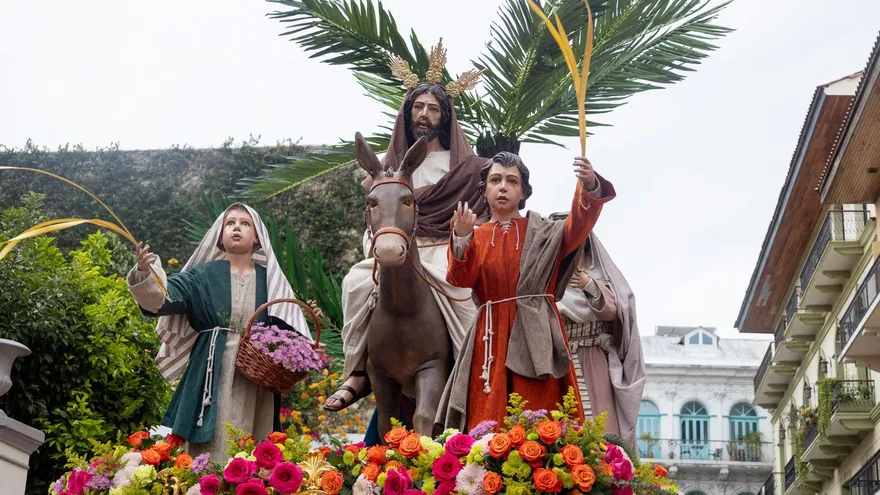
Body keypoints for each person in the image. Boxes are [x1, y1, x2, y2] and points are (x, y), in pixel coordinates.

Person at [324, 41, 489, 413]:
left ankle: (473, 375)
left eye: (433, 108)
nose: (424, 114)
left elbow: (484, 215)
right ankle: (357, 371)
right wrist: (376, 245)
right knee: (355, 282)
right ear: (407, 111)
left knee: (463, 299)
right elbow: (375, 217)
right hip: (396, 251)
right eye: (418, 107)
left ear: (445, 116)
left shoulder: (468, 168)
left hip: (444, 253)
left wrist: (463, 237)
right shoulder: (387, 166)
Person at [437, 152, 614, 430]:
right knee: (489, 418)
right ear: (484, 191)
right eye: (495, 180)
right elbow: (460, 278)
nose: (503, 187)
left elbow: (579, 224)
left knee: (539, 415)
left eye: (512, 181)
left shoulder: (545, 232)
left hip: (536, 333)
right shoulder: (476, 235)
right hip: (490, 336)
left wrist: (590, 186)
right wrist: (461, 237)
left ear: (523, 192)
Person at [128, 203, 310, 460]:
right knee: (213, 434)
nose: (236, 227)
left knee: (254, 438)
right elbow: (166, 296)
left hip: (255, 374)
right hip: (211, 365)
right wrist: (145, 273)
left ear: (257, 238)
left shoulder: (271, 280)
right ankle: (208, 476)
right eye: (230, 223)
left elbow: (286, 322)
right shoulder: (202, 275)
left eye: (245, 224)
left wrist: (303, 347)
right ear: (220, 236)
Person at [551, 223, 646, 449]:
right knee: (560, 424)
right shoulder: (548, 275)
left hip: (592, 354)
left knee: (601, 418)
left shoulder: (598, 273)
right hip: (558, 358)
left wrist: (591, 286)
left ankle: (605, 464)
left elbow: (614, 310)